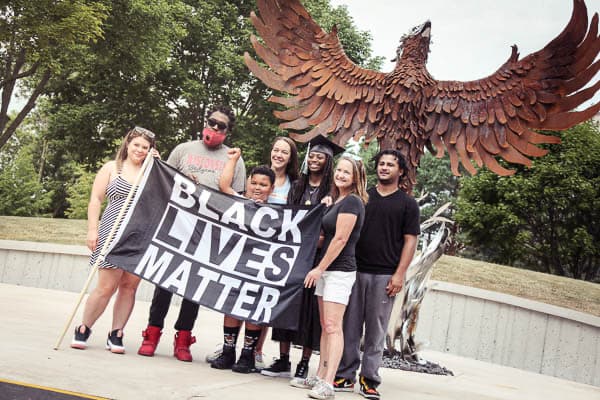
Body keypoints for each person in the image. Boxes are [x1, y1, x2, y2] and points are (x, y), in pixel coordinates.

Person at [137, 105, 246, 362]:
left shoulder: (234, 158)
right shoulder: (184, 149)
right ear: (205, 122)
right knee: (164, 281)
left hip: (206, 232)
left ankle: (183, 338)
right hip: (176, 226)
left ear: (228, 131)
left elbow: (237, 197)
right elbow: (162, 180)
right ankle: (151, 334)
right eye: (212, 122)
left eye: (221, 126)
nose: (215, 128)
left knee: (193, 287)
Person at [334, 149, 420, 400]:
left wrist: (399, 274)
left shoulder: (407, 204)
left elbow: (410, 241)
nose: (384, 168)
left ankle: (369, 379)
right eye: (381, 164)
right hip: (355, 270)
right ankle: (345, 375)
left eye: (390, 165)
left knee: (375, 331)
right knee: (349, 327)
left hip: (385, 276)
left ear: (401, 171)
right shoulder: (362, 198)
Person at [71, 126, 159, 353]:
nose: (140, 150)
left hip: (139, 236)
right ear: (128, 145)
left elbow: (163, 199)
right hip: (112, 232)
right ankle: (84, 327)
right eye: (137, 145)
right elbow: (95, 199)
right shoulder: (112, 167)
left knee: (129, 287)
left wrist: (158, 166)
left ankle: (116, 332)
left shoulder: (151, 173)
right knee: (106, 286)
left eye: (145, 147)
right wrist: (93, 230)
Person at [262, 134, 340, 380]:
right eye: (313, 156)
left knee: (309, 311)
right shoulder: (298, 185)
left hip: (317, 257)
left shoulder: (333, 191)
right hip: (294, 254)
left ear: (328, 162)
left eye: (321, 157)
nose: (315, 160)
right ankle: (283, 359)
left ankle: (304, 362)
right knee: (288, 303)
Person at [291, 155, 368, 400]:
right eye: (339, 171)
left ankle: (328, 384)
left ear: (356, 177)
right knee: (325, 327)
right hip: (327, 271)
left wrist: (319, 269)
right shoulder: (338, 201)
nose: (341, 175)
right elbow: (325, 235)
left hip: (339, 271)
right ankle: (320, 375)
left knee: (334, 327)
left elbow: (341, 240)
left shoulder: (353, 202)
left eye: (347, 172)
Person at [211, 147, 275, 373]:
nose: (258, 188)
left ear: (271, 188)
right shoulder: (238, 202)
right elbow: (224, 186)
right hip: (234, 264)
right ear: (248, 183)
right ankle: (228, 352)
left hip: (258, 268)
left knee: (252, 309)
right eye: (254, 183)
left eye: (263, 184)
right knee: (231, 306)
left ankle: (247, 355)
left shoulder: (278, 212)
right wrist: (233, 160)